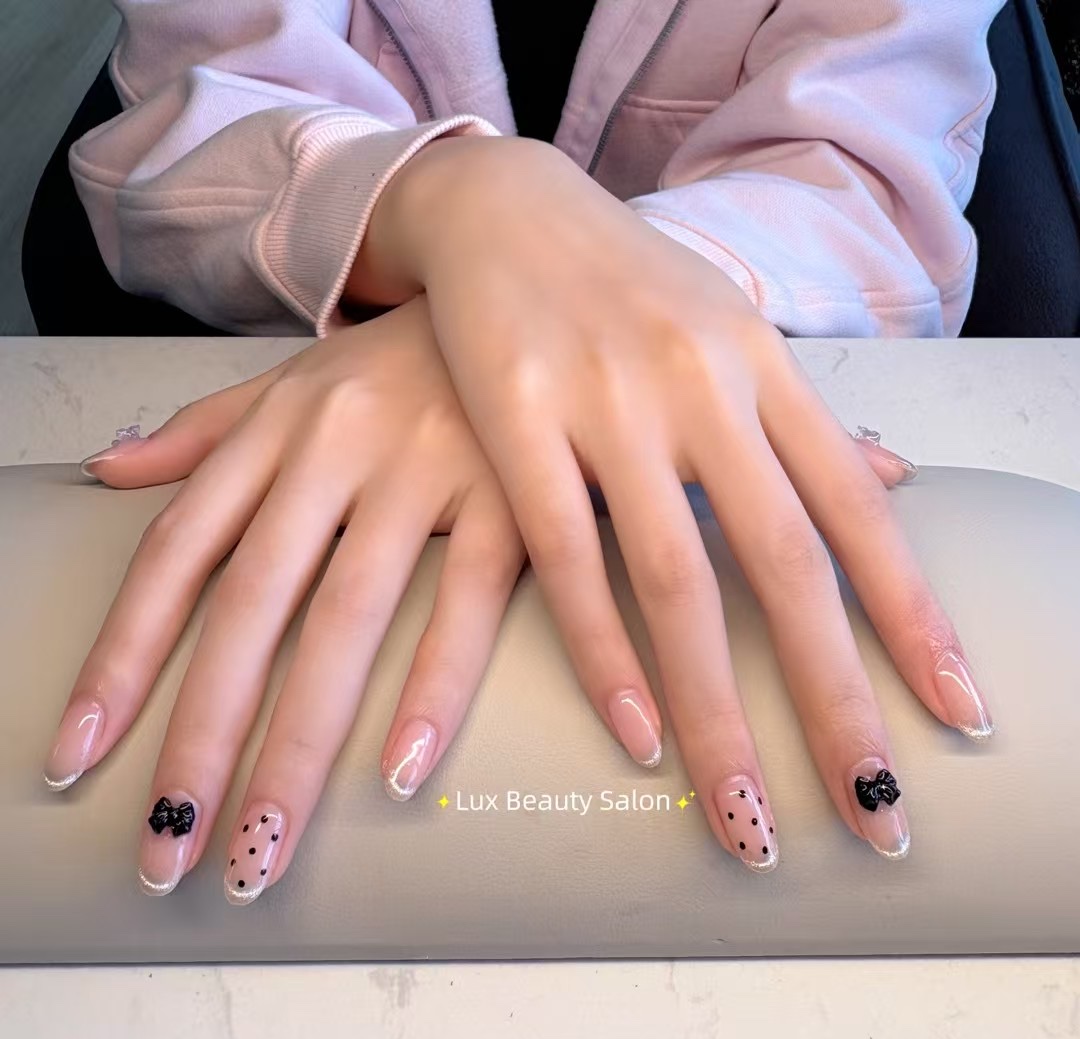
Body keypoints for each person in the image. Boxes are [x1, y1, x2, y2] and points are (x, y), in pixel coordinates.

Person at [43, 1, 1002, 902]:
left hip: (409, 386)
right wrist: (451, 200)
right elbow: (207, 98)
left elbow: (864, 150)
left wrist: (538, 287)